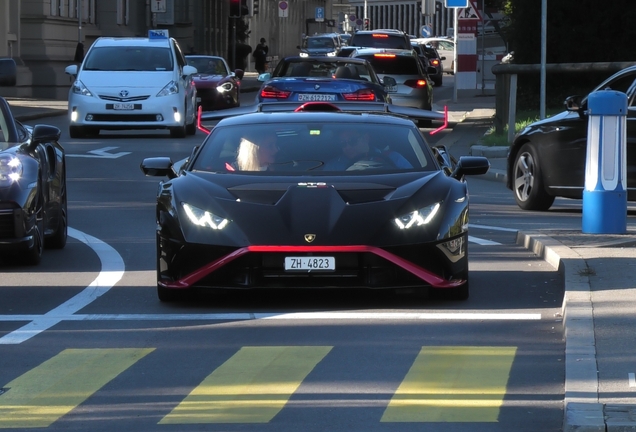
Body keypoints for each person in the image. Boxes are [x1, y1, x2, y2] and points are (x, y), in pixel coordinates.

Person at [323, 130, 412, 171]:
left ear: (366, 138)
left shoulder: (393, 157)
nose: (348, 147)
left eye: (352, 141)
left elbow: (413, 181)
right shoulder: (333, 167)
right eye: (343, 143)